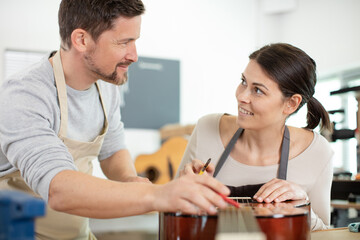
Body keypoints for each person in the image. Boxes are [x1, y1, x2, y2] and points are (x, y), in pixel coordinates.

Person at [0, 0, 230, 239]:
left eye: (135, 41)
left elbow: (112, 151)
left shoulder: (106, 86)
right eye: (123, 42)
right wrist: (160, 195)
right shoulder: (24, 95)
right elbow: (59, 190)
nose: (134, 55)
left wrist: (131, 180)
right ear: (81, 40)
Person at [176, 43, 334, 231]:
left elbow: (326, 233)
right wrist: (184, 191)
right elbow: (175, 215)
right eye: (244, 82)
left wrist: (302, 206)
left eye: (258, 90)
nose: (242, 96)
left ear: (291, 104)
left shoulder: (317, 152)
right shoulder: (206, 129)